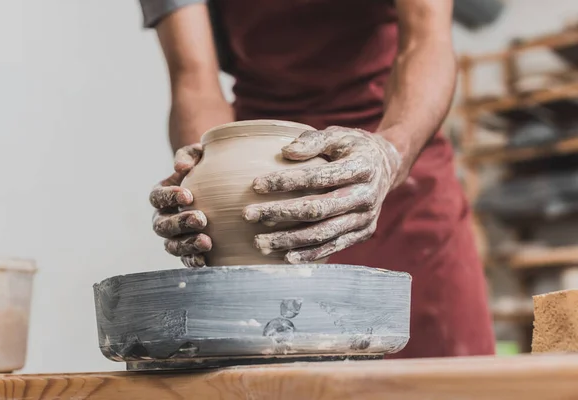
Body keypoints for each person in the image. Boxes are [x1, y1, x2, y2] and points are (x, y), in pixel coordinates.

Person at [142, 0, 495, 358]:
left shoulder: (394, 149)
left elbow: (426, 41)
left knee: (445, 373)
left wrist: (391, 154)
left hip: (395, 143)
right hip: (262, 179)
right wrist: (203, 181)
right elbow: (194, 77)